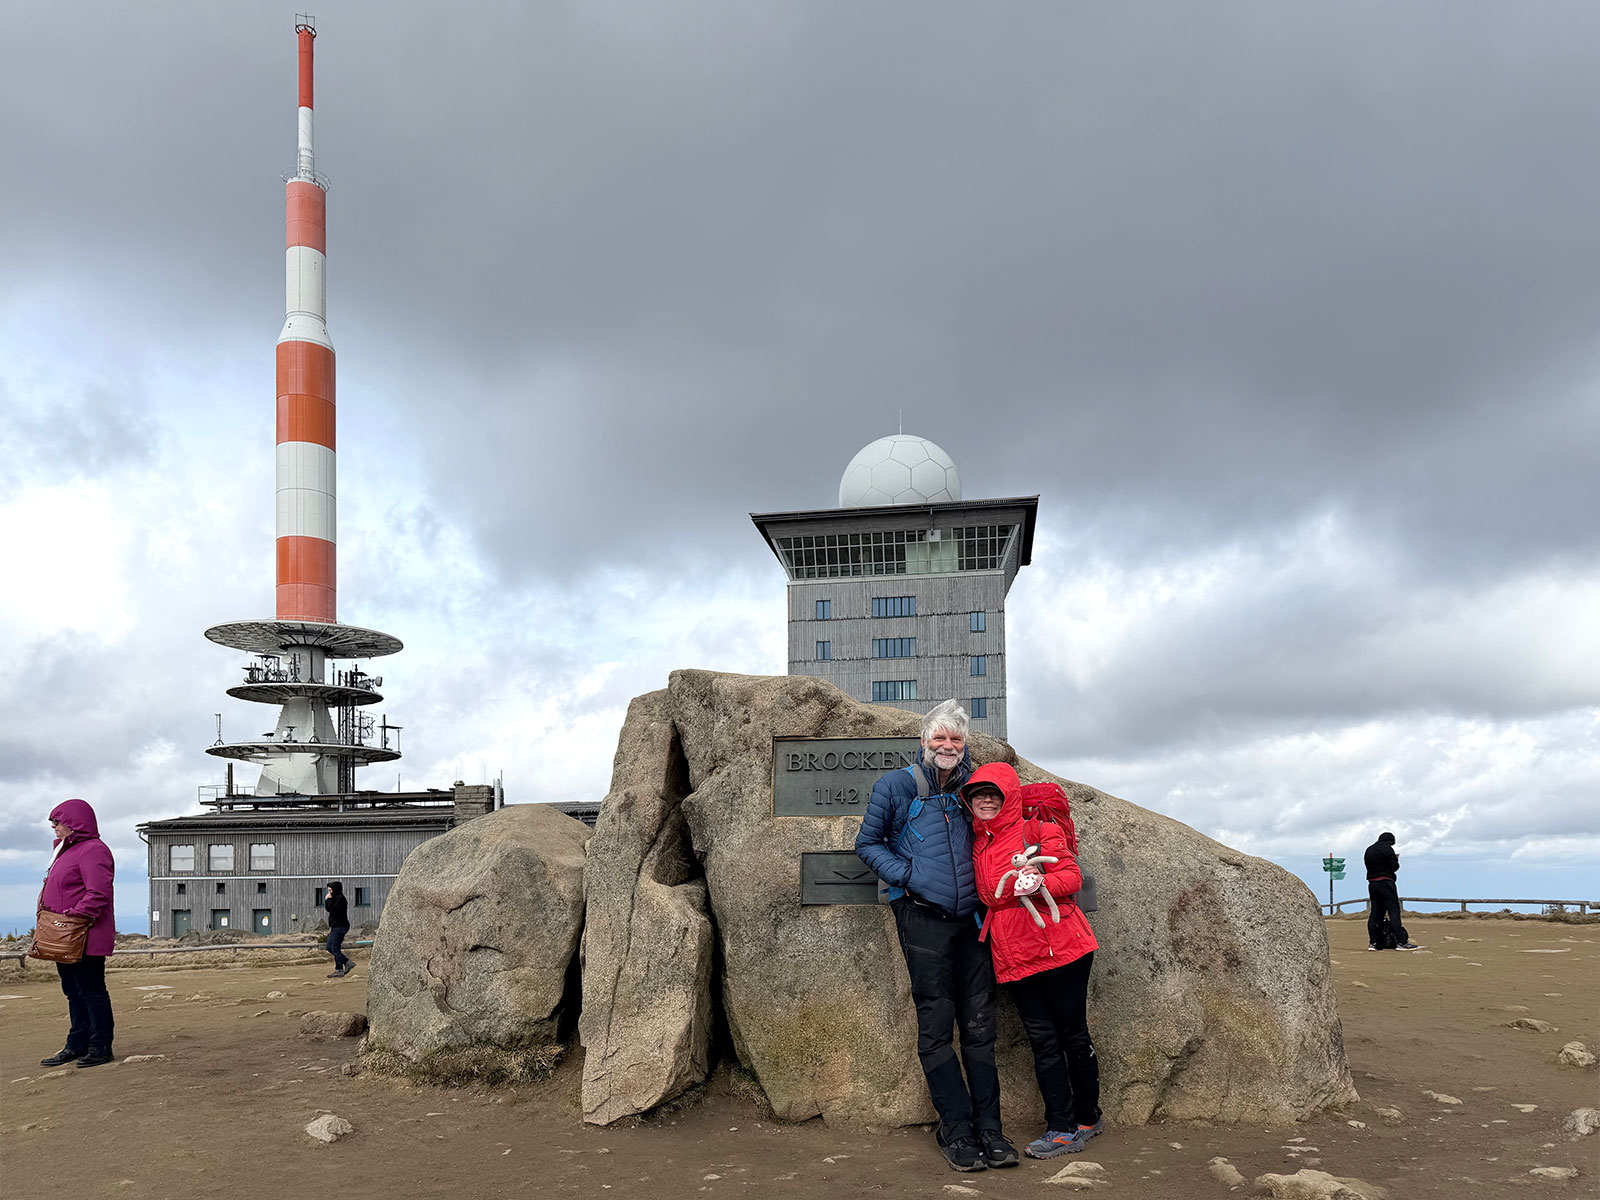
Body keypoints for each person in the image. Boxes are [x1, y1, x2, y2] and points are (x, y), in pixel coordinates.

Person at [855, 700, 1017, 1173]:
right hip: (922, 917)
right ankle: (956, 1127)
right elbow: (867, 842)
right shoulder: (896, 786)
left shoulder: (975, 789)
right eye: (940, 738)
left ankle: (991, 1128)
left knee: (981, 1028)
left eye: (956, 739)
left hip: (973, 923)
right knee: (935, 1025)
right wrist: (908, 876)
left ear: (965, 745)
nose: (948, 746)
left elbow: (1001, 831)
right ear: (923, 741)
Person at [964, 762, 1104, 1158]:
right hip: (1014, 953)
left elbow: (1072, 877)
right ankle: (1062, 1125)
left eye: (994, 793)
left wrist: (1041, 881)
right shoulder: (978, 843)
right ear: (969, 801)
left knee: (1072, 1035)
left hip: (1060, 947)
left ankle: (1085, 1119)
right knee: (1043, 1041)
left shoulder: (1038, 831)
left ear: (1010, 795)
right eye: (978, 794)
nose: (987, 800)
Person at [37, 799, 117, 1068]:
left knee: (91, 991)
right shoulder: (64, 851)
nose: (53, 827)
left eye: (57, 822)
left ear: (74, 823)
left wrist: (72, 917)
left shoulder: (94, 850)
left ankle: (100, 1046)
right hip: (64, 936)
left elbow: (98, 893)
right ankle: (77, 1044)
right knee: (73, 991)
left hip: (85, 936)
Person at [1363, 832, 1419, 950]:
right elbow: (1394, 867)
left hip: (1372, 883)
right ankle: (1401, 942)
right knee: (1393, 910)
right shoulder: (1388, 850)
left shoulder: (1369, 850)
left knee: (1376, 912)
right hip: (1386, 882)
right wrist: (1396, 859)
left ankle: (1374, 942)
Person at [325, 881, 353, 976]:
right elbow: (328, 909)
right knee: (329, 947)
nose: (329, 893)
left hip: (340, 926)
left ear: (335, 890)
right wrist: (328, 900)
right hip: (335, 926)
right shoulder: (334, 898)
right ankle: (347, 962)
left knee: (335, 947)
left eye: (330, 890)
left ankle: (339, 969)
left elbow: (333, 910)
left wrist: (329, 900)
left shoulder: (340, 899)